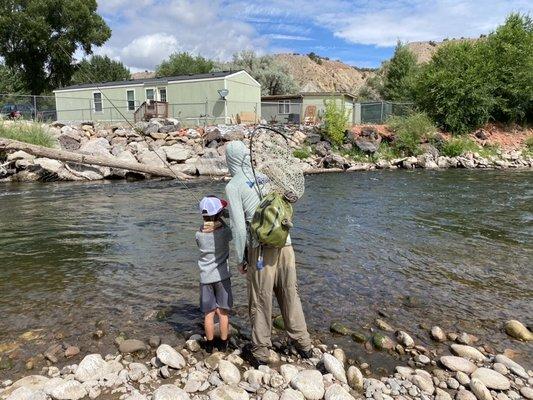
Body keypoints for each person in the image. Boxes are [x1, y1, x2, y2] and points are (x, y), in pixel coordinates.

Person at [224, 141, 312, 366]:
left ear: (230, 160)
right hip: (286, 244)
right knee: (290, 293)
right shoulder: (264, 176)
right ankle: (303, 345)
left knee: (261, 299)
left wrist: (241, 257)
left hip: (261, 250)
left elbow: (239, 227)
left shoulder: (233, 186)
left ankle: (261, 351)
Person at [196, 195, 233, 353]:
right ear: (219, 214)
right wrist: (223, 219)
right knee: (223, 312)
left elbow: (204, 231)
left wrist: (214, 218)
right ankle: (223, 345)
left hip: (206, 278)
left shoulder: (199, 234)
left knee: (208, 313)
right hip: (222, 276)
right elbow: (231, 234)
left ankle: (210, 345)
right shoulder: (225, 232)